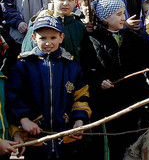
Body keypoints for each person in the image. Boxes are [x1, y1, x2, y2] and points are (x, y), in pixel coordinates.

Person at [5, 15, 91, 160]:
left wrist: (79, 120)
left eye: (53, 38)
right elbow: (13, 96)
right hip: (34, 140)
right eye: (42, 38)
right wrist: (23, 119)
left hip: (66, 137)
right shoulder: (23, 66)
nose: (48, 43)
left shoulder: (72, 66)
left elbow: (81, 96)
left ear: (61, 37)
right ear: (33, 37)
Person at [82, 0, 147, 160]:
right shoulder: (93, 39)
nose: (123, 17)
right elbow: (88, 67)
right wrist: (99, 80)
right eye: (118, 14)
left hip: (130, 99)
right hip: (106, 101)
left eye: (123, 13)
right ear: (105, 18)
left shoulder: (133, 38)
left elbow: (140, 65)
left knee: (129, 136)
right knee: (109, 141)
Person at [21, 0, 86, 64]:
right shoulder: (39, 25)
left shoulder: (79, 27)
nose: (65, 3)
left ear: (75, 1)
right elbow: (27, 55)